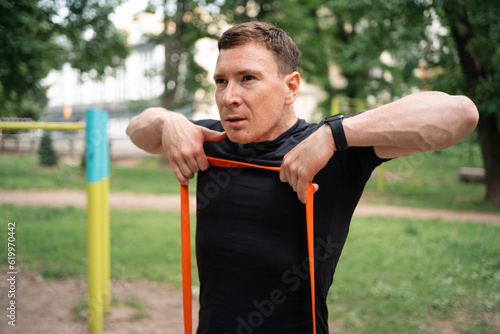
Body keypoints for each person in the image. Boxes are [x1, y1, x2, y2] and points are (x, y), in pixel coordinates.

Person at [126, 22, 478, 334]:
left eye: (247, 78)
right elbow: (136, 132)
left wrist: (332, 136)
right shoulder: (210, 139)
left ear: (291, 88)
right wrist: (166, 120)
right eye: (221, 81)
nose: (228, 97)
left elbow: (459, 114)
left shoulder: (332, 149)